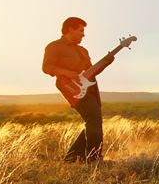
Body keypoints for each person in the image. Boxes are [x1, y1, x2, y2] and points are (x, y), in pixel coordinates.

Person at [42, 17, 110, 162]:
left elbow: (91, 71)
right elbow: (47, 67)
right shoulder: (54, 46)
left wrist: (106, 62)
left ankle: (73, 157)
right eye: (81, 30)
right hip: (71, 87)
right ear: (70, 29)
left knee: (93, 120)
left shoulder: (83, 50)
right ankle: (93, 159)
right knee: (93, 119)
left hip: (89, 88)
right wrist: (68, 73)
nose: (83, 34)